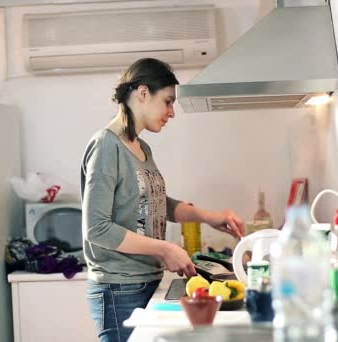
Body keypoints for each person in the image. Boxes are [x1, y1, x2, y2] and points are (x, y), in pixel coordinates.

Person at [80, 58, 245, 342]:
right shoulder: (107, 146)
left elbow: (157, 202)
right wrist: (165, 249)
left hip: (144, 281)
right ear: (143, 94)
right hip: (118, 289)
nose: (172, 113)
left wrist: (209, 216)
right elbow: (97, 228)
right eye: (168, 102)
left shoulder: (140, 147)